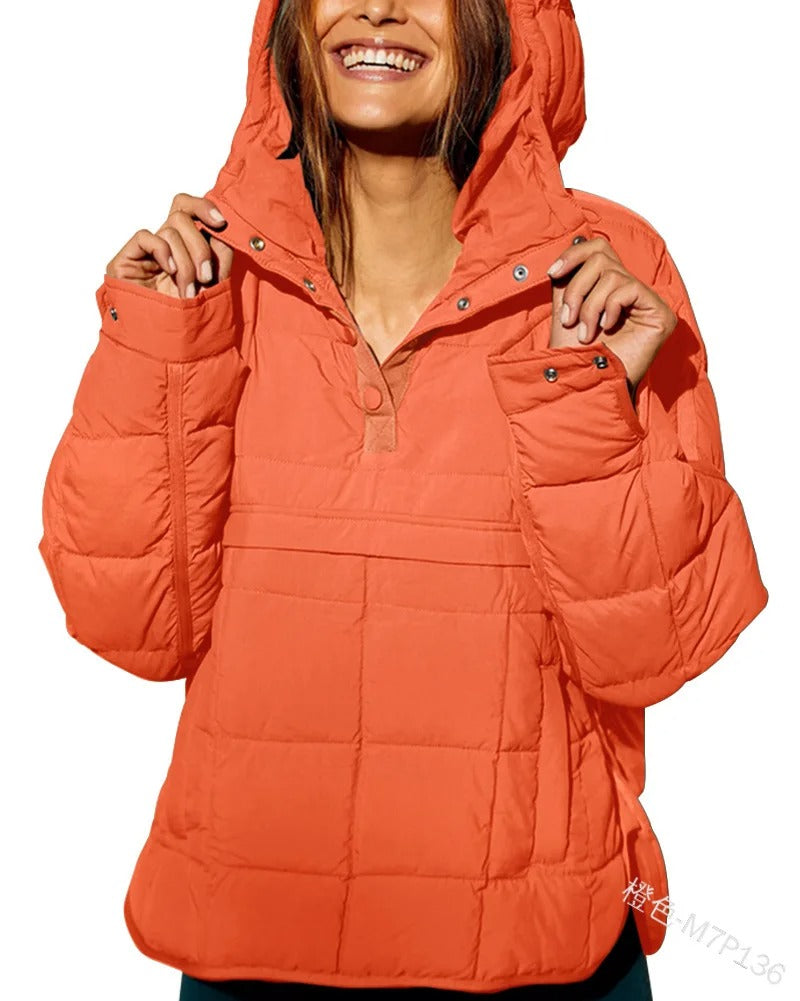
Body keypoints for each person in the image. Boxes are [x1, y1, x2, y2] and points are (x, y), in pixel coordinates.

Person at [37, 0, 769, 998]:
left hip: (542, 951)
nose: (378, 6)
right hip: (253, 942)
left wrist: (581, 400)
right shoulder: (212, 270)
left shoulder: (604, 270)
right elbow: (130, 626)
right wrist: (158, 351)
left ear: (510, 25)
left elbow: (658, 646)